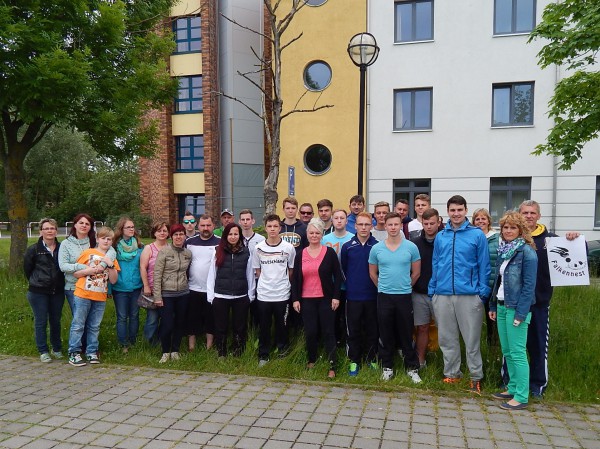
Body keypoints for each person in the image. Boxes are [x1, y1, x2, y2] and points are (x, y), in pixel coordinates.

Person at [516, 200, 579, 398]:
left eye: (532, 212)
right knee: (513, 348)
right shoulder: (513, 237)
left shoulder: (551, 240)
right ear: (519, 215)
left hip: (540, 302)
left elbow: (576, 254)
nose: (528, 216)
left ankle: (537, 386)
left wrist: (574, 239)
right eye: (525, 212)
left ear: (538, 216)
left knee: (537, 346)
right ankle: (511, 382)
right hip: (515, 304)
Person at [428, 195, 491, 395]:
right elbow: (436, 263)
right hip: (443, 294)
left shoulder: (476, 235)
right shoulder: (441, 235)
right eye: (453, 210)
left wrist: (482, 292)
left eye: (460, 210)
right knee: (447, 338)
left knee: (471, 339)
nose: (456, 214)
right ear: (448, 211)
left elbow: (484, 265)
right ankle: (452, 373)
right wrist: (433, 289)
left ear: (465, 211)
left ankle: (475, 377)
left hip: (470, 294)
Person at [489, 211, 538, 410]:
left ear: (521, 230)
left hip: (516, 308)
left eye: (513, 227)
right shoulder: (505, 250)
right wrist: (493, 305)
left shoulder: (527, 252)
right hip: (501, 306)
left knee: (518, 353)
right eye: (505, 227)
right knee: (507, 351)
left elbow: (529, 286)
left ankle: (521, 396)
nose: (508, 231)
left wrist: (521, 313)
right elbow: (498, 282)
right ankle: (512, 387)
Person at [368, 212, 422, 383]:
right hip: (384, 296)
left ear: (400, 226)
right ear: (385, 226)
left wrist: (405, 286)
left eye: (396, 224)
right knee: (386, 333)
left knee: (406, 332)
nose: (392, 228)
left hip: (404, 296)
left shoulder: (411, 247)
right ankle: (387, 367)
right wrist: (383, 287)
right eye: (389, 225)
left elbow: (416, 272)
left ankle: (412, 368)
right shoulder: (377, 248)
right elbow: (372, 273)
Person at [292, 218, 342, 379]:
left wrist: (336, 297)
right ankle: (311, 360)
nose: (314, 235)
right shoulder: (300, 255)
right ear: (307, 234)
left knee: (329, 332)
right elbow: (296, 279)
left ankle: (332, 364)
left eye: (317, 233)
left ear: (322, 235)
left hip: (325, 299)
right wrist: (295, 299)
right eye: (311, 233)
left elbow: (338, 277)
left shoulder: (329, 253)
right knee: (311, 332)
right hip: (307, 300)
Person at [59, 213, 116, 351]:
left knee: (92, 323)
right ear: (75, 225)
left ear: (91, 227)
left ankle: (89, 349)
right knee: (79, 322)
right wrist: (85, 268)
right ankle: (77, 350)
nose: (84, 226)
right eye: (81, 223)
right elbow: (63, 266)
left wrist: (102, 266)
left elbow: (110, 251)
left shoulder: (93, 242)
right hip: (74, 287)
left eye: (87, 224)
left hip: (96, 289)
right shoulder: (66, 244)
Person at [67, 227, 120, 366]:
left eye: (109, 239)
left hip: (100, 296)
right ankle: (74, 352)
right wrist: (89, 271)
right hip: (83, 294)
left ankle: (91, 352)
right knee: (78, 324)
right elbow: (76, 274)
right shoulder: (88, 253)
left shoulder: (111, 257)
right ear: (97, 239)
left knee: (94, 326)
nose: (106, 241)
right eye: (103, 238)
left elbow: (114, 280)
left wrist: (110, 266)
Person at [253, 215, 295, 366]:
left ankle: (282, 352)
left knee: (282, 326)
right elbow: (257, 271)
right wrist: (267, 282)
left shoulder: (288, 248)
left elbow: (291, 270)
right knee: (264, 327)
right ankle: (263, 355)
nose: (272, 229)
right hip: (264, 294)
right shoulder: (258, 248)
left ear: (280, 228)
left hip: (282, 294)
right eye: (269, 226)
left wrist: (282, 283)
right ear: (265, 228)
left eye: (275, 226)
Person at [207, 223, 254, 357]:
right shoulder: (217, 251)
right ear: (225, 235)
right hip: (221, 295)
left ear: (239, 236)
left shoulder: (246, 252)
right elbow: (212, 274)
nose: (233, 237)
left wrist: (250, 295)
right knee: (221, 327)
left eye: (235, 234)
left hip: (241, 296)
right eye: (230, 234)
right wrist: (211, 296)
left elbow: (249, 274)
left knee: (239, 327)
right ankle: (221, 352)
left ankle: (238, 351)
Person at [341, 212, 379, 376]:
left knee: (372, 329)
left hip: (373, 296)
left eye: (367, 224)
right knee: (353, 330)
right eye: (360, 224)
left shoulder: (377, 246)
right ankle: (354, 361)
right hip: (353, 296)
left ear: (371, 226)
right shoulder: (348, 246)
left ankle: (371, 359)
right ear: (355, 226)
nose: (363, 228)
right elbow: (343, 268)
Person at [23, 218, 65, 363]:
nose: (49, 231)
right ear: (41, 231)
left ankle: (57, 348)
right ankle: (43, 350)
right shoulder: (34, 249)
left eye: (52, 228)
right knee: (41, 321)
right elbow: (27, 270)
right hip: (38, 292)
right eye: (46, 228)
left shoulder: (61, 248)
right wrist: (38, 282)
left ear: (56, 230)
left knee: (55, 321)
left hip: (57, 291)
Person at [153, 224, 192, 363]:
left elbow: (188, 272)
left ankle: (175, 350)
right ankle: (165, 351)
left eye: (181, 234)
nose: (178, 237)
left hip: (183, 293)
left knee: (180, 323)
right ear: (171, 236)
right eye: (176, 234)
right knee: (167, 324)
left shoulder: (188, 253)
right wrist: (157, 296)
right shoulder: (164, 252)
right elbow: (157, 274)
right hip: (166, 294)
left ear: (185, 236)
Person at [411, 208, 440, 367]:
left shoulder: (444, 241)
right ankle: (420, 361)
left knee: (445, 329)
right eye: (426, 223)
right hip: (419, 292)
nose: (429, 226)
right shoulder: (415, 243)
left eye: (432, 223)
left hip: (440, 293)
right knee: (421, 327)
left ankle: (446, 363)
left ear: (438, 222)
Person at [186, 215, 220, 351]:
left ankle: (209, 346)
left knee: (210, 319)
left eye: (208, 225)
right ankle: (191, 347)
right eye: (202, 225)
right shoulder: (189, 242)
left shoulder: (220, 242)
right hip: (192, 287)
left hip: (212, 289)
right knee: (192, 318)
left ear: (213, 226)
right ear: (198, 226)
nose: (205, 228)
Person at [111, 217, 143, 353]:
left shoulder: (140, 247)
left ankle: (133, 341)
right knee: (122, 317)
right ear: (121, 229)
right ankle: (123, 343)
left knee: (135, 315)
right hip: (120, 287)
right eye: (128, 227)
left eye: (132, 227)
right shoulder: (114, 248)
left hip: (136, 286)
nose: (131, 229)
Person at [322, 209, 353, 346]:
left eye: (342, 218)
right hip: (330, 285)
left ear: (347, 221)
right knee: (331, 316)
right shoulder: (325, 240)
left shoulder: (353, 238)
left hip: (348, 285)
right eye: (336, 218)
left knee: (346, 317)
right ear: (332, 220)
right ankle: (332, 343)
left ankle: (346, 342)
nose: (339, 220)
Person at [472, 208, 500, 346]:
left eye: (483, 218)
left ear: (489, 220)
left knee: (492, 320)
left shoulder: (498, 238)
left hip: (493, 285)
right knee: (474, 320)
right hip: (476, 286)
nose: (481, 221)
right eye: (477, 219)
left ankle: (492, 347)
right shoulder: (472, 237)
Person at [139, 221, 169, 343]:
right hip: (151, 288)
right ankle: (149, 342)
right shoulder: (148, 248)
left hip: (168, 289)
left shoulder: (171, 248)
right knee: (152, 318)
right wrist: (146, 286)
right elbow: (142, 267)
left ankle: (163, 341)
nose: (162, 233)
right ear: (154, 233)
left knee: (166, 317)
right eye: (159, 231)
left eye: (165, 231)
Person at [239, 209, 265, 329]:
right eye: (243, 220)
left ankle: (255, 333)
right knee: (242, 309)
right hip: (241, 278)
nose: (245, 222)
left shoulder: (261, 240)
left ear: (253, 221)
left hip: (256, 278)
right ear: (239, 221)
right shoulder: (235, 238)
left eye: (248, 219)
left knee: (256, 309)